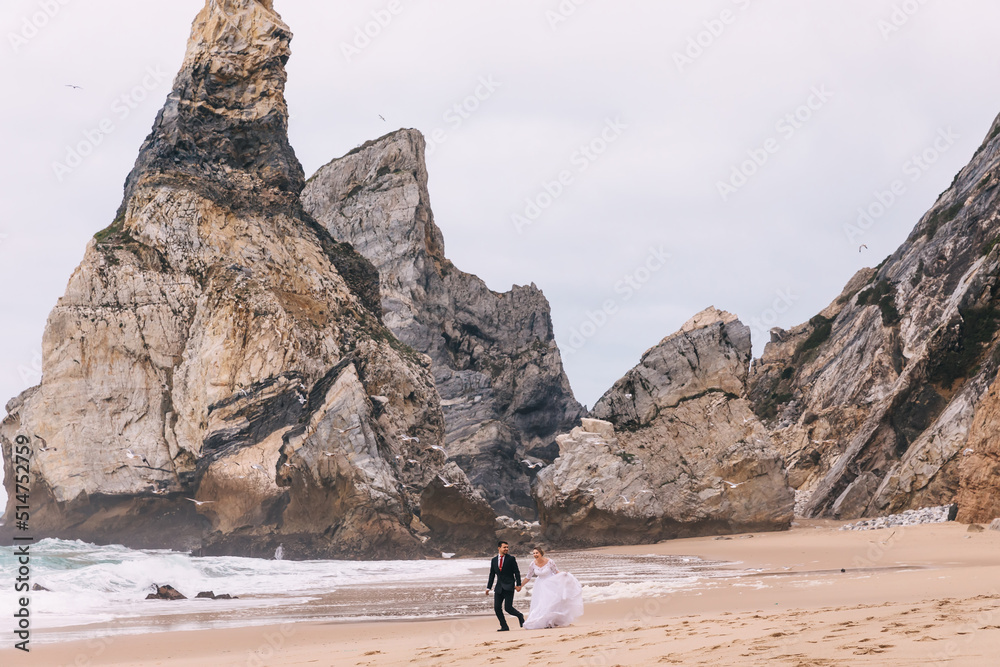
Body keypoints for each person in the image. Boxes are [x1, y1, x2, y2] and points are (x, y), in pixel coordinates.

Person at [521, 547, 584, 629]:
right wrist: (520, 586)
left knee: (550, 603)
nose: (535, 555)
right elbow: (528, 577)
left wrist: (564, 574)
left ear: (541, 553)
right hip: (540, 586)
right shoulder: (532, 564)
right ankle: (544, 622)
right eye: (534, 553)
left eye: (537, 553)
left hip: (551, 584)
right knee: (541, 604)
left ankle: (550, 622)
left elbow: (556, 572)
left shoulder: (550, 562)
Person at [485, 541, 524, 631]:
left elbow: (516, 572)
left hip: (509, 586)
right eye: (504, 547)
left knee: (508, 608)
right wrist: (488, 587)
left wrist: (518, 584)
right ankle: (504, 626)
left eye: (507, 547)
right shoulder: (494, 560)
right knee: (497, 608)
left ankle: (520, 615)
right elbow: (492, 574)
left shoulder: (511, 559)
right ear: (499, 548)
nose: (506, 549)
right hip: (499, 587)